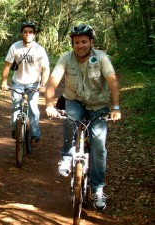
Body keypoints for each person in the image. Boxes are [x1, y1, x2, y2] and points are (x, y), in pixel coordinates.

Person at [45, 24, 121, 210]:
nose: (80, 45)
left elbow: (112, 82)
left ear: (91, 42)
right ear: (72, 44)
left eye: (84, 42)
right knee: (71, 118)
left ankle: (97, 190)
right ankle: (66, 157)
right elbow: (53, 81)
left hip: (98, 105)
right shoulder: (66, 58)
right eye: (76, 42)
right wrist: (48, 103)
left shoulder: (101, 58)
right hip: (74, 101)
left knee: (99, 145)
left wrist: (116, 107)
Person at [1, 21, 50, 141]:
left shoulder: (39, 49)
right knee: (15, 107)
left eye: (30, 32)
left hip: (33, 83)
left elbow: (46, 69)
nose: (27, 34)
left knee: (33, 108)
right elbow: (7, 66)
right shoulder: (15, 47)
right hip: (17, 82)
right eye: (25, 32)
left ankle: (35, 133)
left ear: (34, 35)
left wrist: (43, 84)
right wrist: (4, 82)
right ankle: (15, 130)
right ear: (22, 33)